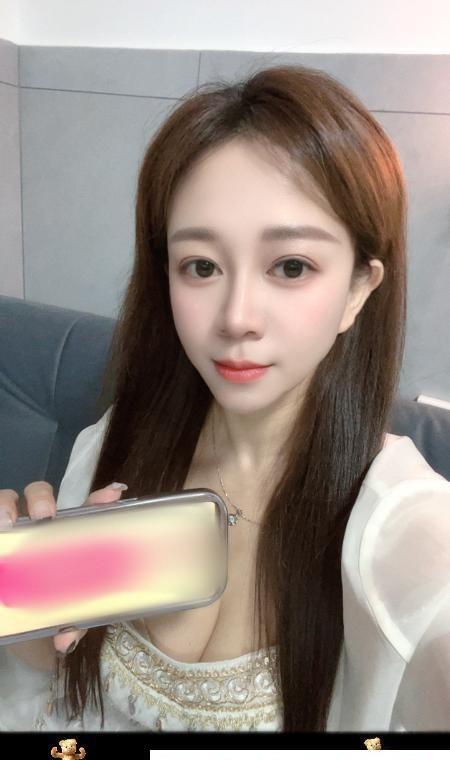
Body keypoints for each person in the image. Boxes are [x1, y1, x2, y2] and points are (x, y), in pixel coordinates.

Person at [0, 64, 449, 732]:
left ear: (358, 289)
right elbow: (55, 686)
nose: (237, 317)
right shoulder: (113, 443)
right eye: (201, 266)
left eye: (290, 266)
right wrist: (25, 611)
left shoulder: (406, 530)